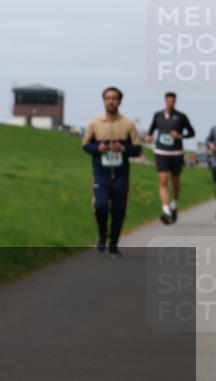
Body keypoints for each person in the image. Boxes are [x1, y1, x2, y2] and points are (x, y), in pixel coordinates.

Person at [82, 86, 142, 258]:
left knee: (118, 211)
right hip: (101, 173)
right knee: (100, 206)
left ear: (120, 101)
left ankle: (113, 245)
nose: (111, 101)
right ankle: (102, 234)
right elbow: (85, 145)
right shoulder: (94, 123)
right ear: (103, 101)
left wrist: (122, 148)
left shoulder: (128, 124)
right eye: (107, 98)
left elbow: (137, 149)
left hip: (121, 174)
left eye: (114, 98)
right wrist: (97, 147)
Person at [145, 92, 196, 224]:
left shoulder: (181, 116)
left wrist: (180, 136)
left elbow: (192, 132)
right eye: (168, 100)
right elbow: (151, 130)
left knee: (175, 182)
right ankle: (166, 210)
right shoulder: (158, 115)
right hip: (161, 152)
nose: (170, 103)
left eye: (172, 101)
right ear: (165, 101)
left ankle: (175, 203)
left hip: (176, 153)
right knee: (163, 180)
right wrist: (149, 136)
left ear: (175, 102)